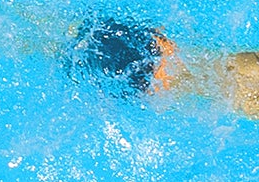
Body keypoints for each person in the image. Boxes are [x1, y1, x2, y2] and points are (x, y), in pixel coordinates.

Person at [71, 18, 259, 118]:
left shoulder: (250, 69)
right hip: (154, 83)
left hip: (157, 52)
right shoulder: (250, 101)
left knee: (70, 36)